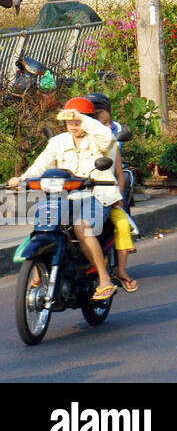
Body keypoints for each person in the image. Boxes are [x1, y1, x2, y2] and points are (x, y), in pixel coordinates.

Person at [9, 98, 125, 301]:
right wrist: (22, 179)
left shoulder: (98, 138)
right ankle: (38, 268)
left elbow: (108, 139)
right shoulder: (58, 142)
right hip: (65, 196)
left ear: (88, 119)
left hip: (96, 195)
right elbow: (40, 166)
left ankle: (104, 278)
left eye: (78, 120)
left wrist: (81, 117)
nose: (73, 125)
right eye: (69, 120)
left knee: (82, 227)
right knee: (43, 222)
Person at [85, 92, 139, 293]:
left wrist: (118, 197)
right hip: (80, 195)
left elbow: (118, 175)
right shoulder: (70, 141)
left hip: (107, 194)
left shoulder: (112, 140)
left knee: (121, 224)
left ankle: (120, 272)